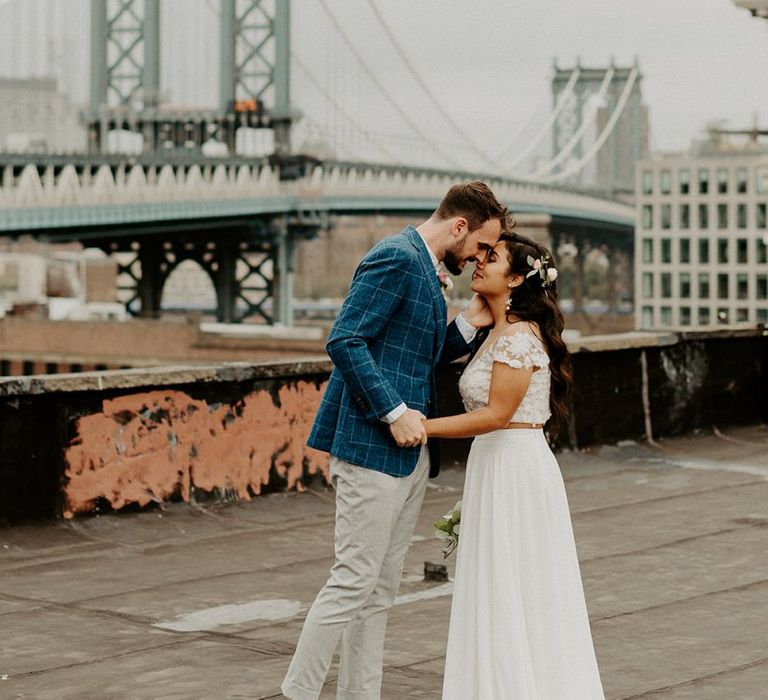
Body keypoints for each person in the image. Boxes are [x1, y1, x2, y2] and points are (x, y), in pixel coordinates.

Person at [281, 181, 508, 700]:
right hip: (369, 447)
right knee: (352, 582)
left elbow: (412, 357)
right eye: (479, 246)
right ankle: (297, 692)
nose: (478, 258)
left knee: (379, 592)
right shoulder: (396, 258)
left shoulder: (426, 269)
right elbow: (345, 338)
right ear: (459, 227)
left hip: (406, 455)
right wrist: (393, 411)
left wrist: (470, 322)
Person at [424, 233, 605, 699]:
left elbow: (496, 415)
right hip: (495, 463)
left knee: (518, 587)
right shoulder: (499, 331)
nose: (477, 262)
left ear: (518, 279)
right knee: (499, 587)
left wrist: (421, 427)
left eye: (491, 257)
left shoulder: (520, 337)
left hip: (514, 468)